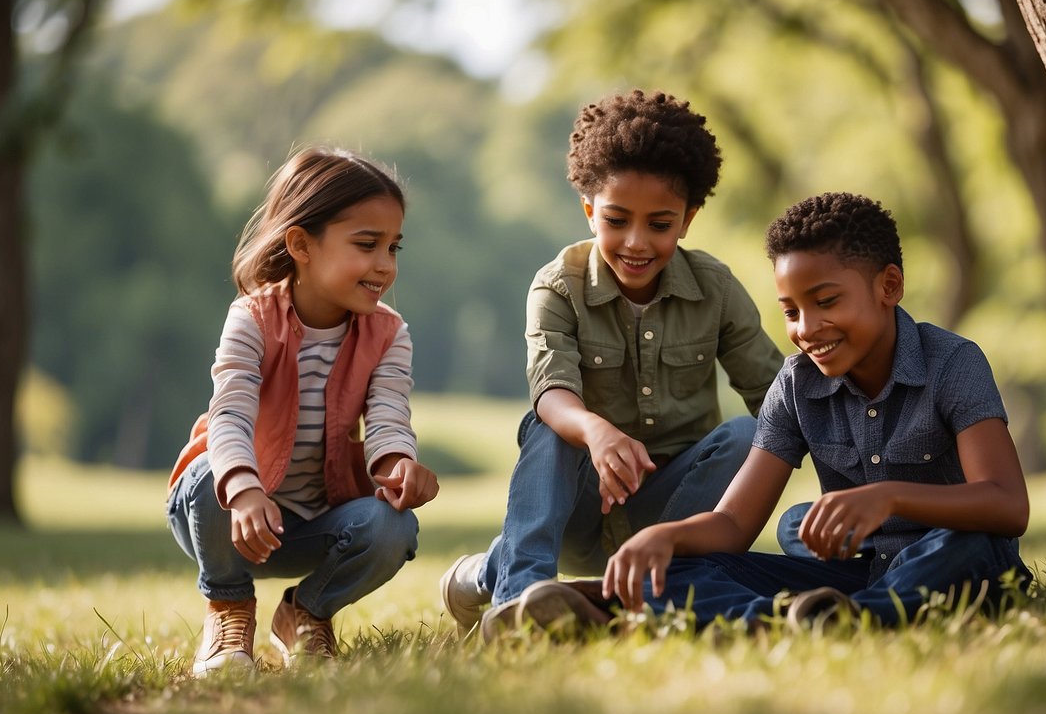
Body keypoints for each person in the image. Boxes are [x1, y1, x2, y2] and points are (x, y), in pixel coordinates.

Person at [517, 191, 1032, 634]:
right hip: (856, 576)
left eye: (826, 301)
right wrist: (664, 537)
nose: (807, 328)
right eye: (790, 311)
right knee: (686, 567)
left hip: (951, 561)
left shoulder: (953, 363)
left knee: (968, 547)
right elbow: (732, 524)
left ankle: (835, 621)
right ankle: (780, 621)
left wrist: (889, 497)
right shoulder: (797, 383)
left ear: (888, 286)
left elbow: (1008, 506)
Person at [439, 89, 783, 640]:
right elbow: (551, 389)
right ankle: (514, 596)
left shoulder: (715, 288)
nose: (636, 242)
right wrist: (597, 433)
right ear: (588, 210)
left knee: (748, 434)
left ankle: (656, 592)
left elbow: (778, 400)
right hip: (574, 508)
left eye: (660, 224)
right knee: (548, 426)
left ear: (689, 219)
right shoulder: (557, 286)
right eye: (617, 220)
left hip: (667, 516)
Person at [166, 146, 439, 675]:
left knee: (394, 528)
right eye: (366, 244)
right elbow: (230, 415)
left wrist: (397, 465)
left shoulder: (388, 334)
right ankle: (228, 610)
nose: (385, 265)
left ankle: (306, 613)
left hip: (316, 524)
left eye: (393, 247)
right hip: (224, 518)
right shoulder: (251, 318)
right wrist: (245, 490)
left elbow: (387, 416)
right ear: (301, 244)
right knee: (207, 474)